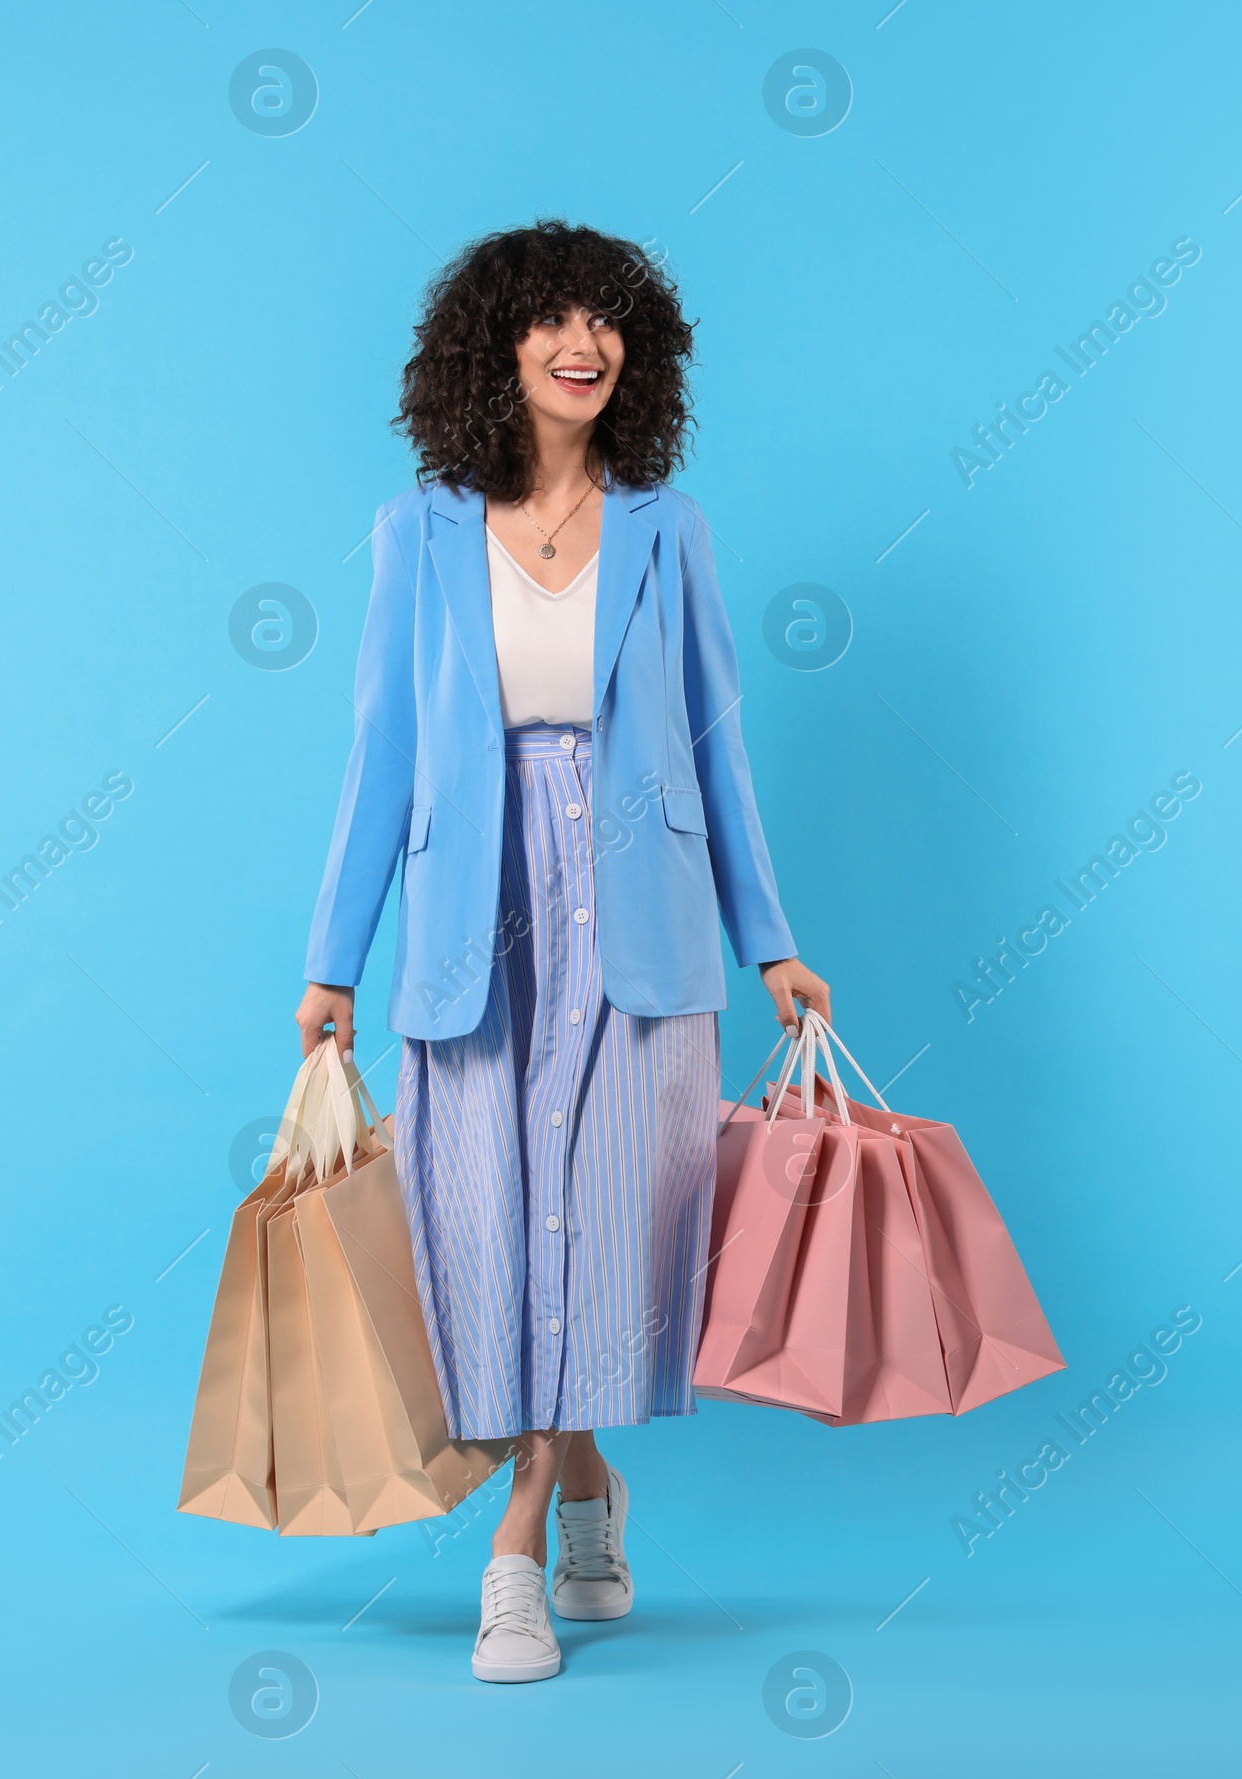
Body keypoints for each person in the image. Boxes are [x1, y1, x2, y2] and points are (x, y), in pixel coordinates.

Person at [296, 220, 829, 1683]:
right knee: (484, 1227)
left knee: (600, 1224)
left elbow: (719, 752)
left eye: (606, 322)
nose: (582, 341)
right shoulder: (417, 534)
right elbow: (382, 758)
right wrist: (333, 960)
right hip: (473, 918)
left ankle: (518, 1544)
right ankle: (589, 1484)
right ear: (498, 345)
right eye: (551, 320)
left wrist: (770, 942)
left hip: (639, 917)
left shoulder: (671, 528)